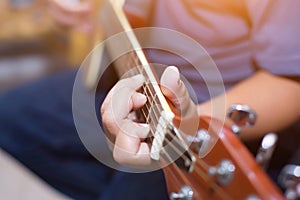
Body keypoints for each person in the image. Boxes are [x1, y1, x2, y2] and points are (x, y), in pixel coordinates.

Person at [0, 0, 299, 199]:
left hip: (204, 114)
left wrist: (186, 126)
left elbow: (290, 84)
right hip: (127, 69)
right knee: (10, 121)